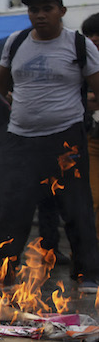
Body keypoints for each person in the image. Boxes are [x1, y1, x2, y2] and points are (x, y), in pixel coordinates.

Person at [0, 0, 99, 293]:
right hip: (20, 139)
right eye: (34, 10)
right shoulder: (17, 41)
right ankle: (3, 274)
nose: (39, 15)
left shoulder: (79, 44)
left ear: (61, 11)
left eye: (46, 8)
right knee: (11, 210)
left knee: (76, 208)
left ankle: (87, 274)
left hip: (66, 139)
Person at [81, 12, 99, 242]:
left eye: (98, 33)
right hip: (92, 138)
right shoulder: (82, 62)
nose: (94, 38)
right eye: (89, 34)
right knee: (93, 197)